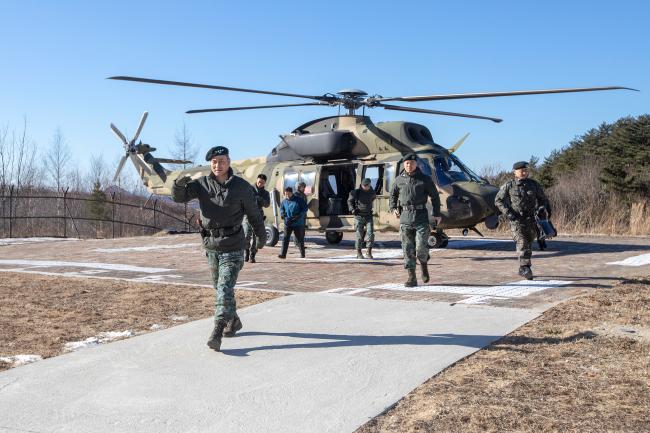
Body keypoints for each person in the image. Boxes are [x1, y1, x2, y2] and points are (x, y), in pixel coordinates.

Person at [171, 145, 266, 352]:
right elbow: (179, 198)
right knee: (221, 287)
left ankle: (217, 329)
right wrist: (178, 184)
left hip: (233, 245)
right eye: (214, 162)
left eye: (221, 161)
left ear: (229, 162)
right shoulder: (202, 184)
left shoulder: (242, 187)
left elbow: (254, 214)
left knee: (223, 288)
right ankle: (234, 320)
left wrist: (261, 236)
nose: (217, 165)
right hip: (211, 246)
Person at [389, 153, 441, 287]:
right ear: (404, 164)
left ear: (416, 164)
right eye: (406, 163)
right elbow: (392, 194)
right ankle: (411, 277)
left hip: (421, 218)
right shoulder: (399, 180)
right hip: (405, 219)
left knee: (420, 248)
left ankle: (424, 265)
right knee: (407, 249)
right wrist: (393, 207)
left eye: (411, 163)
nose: (409, 165)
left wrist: (436, 213)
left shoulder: (425, 179)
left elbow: (435, 196)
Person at [495, 161, 551, 280]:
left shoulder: (534, 185)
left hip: (531, 220)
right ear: (515, 172)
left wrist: (542, 208)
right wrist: (508, 212)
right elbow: (498, 200)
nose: (524, 172)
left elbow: (543, 199)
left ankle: (523, 267)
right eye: (521, 171)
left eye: (526, 170)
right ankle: (525, 267)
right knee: (522, 242)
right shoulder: (509, 185)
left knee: (529, 243)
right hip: (516, 220)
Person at [244, 173, 270, 263]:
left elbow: (267, 204)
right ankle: (246, 251)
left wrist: (259, 198)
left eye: (262, 183)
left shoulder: (265, 193)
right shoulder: (249, 189)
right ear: (257, 180)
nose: (260, 184)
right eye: (259, 182)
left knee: (256, 238)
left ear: (264, 183)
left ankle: (252, 255)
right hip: (247, 216)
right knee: (246, 235)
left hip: (258, 217)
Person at [348, 178, 377, 259]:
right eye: (364, 185)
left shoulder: (372, 192)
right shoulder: (355, 192)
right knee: (359, 235)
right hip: (359, 216)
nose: (365, 187)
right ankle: (359, 252)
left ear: (370, 185)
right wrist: (352, 209)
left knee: (370, 234)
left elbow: (373, 198)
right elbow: (350, 201)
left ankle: (369, 251)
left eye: (367, 185)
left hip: (368, 216)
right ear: (361, 185)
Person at [278, 186, 308, 259]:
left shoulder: (299, 200)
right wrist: (282, 214)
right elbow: (282, 208)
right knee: (285, 238)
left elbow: (305, 208)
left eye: (288, 194)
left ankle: (302, 253)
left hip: (297, 223)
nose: (287, 196)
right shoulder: (284, 201)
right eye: (286, 194)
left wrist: (299, 216)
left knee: (299, 239)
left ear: (291, 193)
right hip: (288, 222)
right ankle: (283, 254)